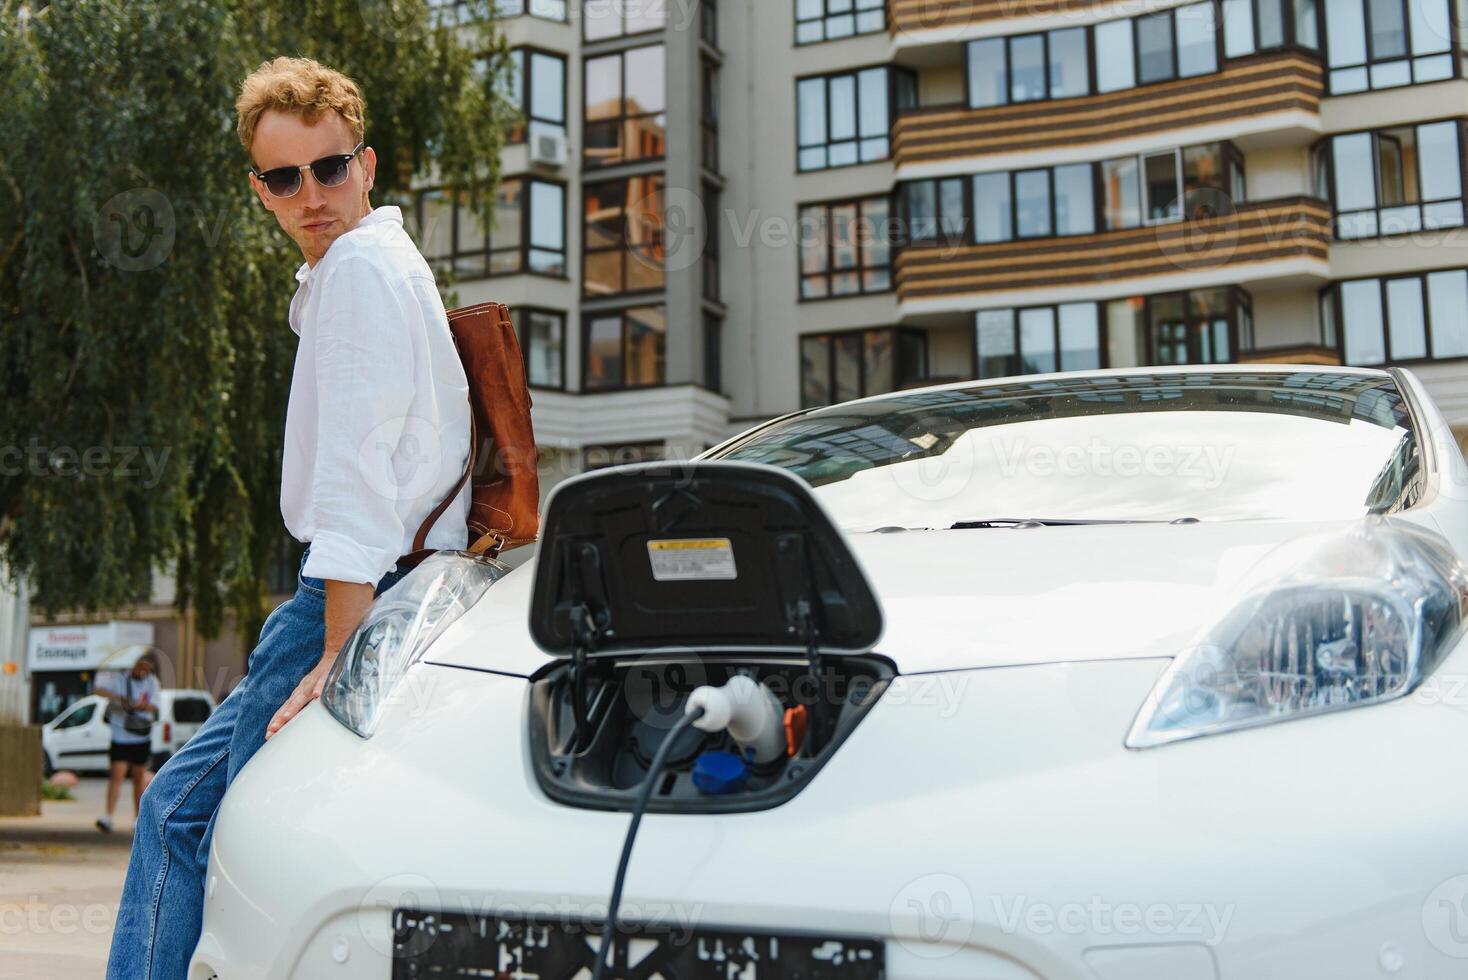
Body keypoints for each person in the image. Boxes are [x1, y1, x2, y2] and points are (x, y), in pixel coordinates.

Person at [106, 56, 472, 980]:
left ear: (369, 165)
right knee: (185, 814)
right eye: (284, 177)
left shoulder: (356, 274)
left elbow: (354, 496)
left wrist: (337, 655)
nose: (311, 195)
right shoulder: (386, 265)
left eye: (331, 168)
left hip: (347, 599)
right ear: (259, 189)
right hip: (400, 591)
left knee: (243, 847)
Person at [93, 652, 161, 834]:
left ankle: (137, 818)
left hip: (141, 736)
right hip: (121, 736)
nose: (143, 671)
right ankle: (108, 816)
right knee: (117, 775)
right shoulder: (120, 680)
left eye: (147, 667)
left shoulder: (152, 682)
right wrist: (121, 700)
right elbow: (98, 689)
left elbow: (155, 705)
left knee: (138, 778)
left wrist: (139, 706)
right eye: (140, 666)